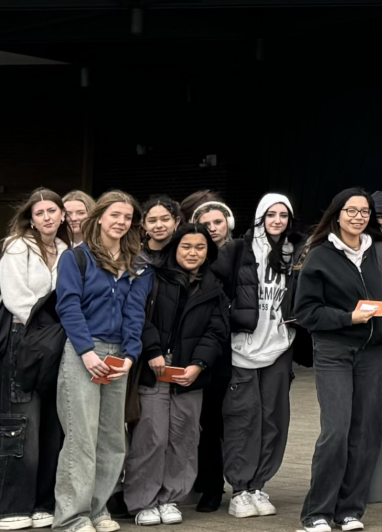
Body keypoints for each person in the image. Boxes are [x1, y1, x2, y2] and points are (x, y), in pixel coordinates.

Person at [293, 188, 382, 532]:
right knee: (336, 430)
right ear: (337, 214)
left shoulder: (377, 252)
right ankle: (317, 512)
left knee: (367, 431)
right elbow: (306, 312)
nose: (359, 217)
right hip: (334, 351)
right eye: (352, 211)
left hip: (373, 352)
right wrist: (348, 318)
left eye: (364, 212)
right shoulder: (319, 255)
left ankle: (349, 511)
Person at [52, 191, 151, 532]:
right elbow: (68, 306)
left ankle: (96, 510)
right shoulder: (76, 258)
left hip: (119, 354)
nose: (121, 222)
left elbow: (136, 313)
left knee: (112, 439)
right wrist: (86, 352)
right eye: (115, 215)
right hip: (84, 351)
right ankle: (72, 517)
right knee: (81, 438)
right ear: (99, 218)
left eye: (127, 217)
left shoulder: (139, 264)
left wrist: (131, 355)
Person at [124, 223, 230, 525]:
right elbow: (138, 316)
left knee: (184, 436)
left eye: (200, 247)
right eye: (186, 246)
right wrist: (152, 351)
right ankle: (143, 501)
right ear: (174, 248)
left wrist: (199, 364)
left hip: (190, 372)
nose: (193, 253)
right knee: (151, 436)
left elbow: (216, 331)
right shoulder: (153, 276)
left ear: (208, 252)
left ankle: (171, 498)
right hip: (155, 367)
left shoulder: (214, 286)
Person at [0, 189, 68, 530]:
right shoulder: (17, 246)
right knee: (19, 425)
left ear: (62, 215)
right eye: (39, 212)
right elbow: (15, 296)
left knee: (51, 426)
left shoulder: (67, 251)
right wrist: (45, 327)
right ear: (31, 219)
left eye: (52, 211)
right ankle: (3, 509)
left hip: (57, 342)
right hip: (23, 338)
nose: (47, 217)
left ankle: (42, 504)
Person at [215, 193, 294, 520]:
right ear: (260, 216)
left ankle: (259, 484)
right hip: (241, 349)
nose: (277, 220)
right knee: (243, 420)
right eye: (271, 214)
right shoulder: (237, 250)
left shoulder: (294, 253)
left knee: (274, 420)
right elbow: (215, 291)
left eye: (283, 215)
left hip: (279, 348)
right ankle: (240, 489)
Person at [176, 194, 235, 515]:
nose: (212, 228)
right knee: (192, 422)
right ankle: (197, 481)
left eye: (217, 221)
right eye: (205, 223)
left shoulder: (238, 254)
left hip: (218, 352)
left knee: (212, 422)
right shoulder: (185, 260)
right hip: (186, 352)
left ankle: (213, 486)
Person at [140, 197, 182, 268]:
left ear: (177, 221)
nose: (159, 225)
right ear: (143, 224)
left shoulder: (184, 251)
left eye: (165, 219)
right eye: (152, 221)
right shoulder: (136, 253)